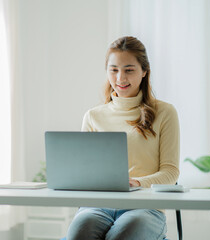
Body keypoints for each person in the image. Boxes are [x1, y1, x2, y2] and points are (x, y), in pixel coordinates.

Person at [66, 36, 180, 240]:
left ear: (144, 71)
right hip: (98, 206)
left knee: (124, 233)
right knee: (79, 232)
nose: (120, 78)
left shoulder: (165, 112)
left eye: (129, 70)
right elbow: (84, 172)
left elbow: (170, 173)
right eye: (114, 70)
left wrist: (136, 182)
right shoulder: (93, 116)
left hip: (146, 208)